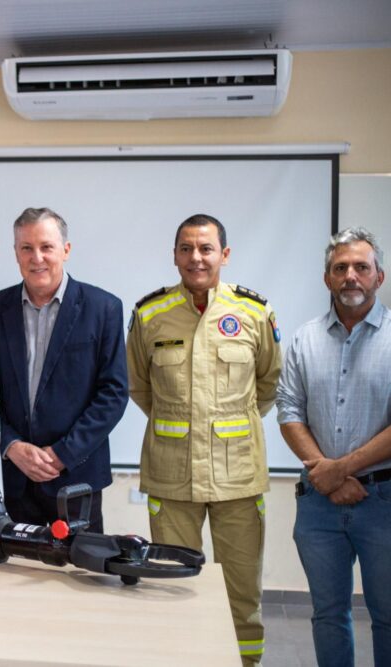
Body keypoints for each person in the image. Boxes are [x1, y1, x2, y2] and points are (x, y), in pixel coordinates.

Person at [126, 213, 282, 666]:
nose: (196, 258)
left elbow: (268, 385)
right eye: (186, 249)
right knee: (170, 589)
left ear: (224, 255)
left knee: (242, 594)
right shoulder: (149, 314)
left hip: (239, 480)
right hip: (171, 479)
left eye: (206, 248)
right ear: (174, 255)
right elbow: (139, 387)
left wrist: (228, 426)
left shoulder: (254, 313)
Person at [276, 227, 390, 667]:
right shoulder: (305, 338)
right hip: (319, 504)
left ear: (379, 276)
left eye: (361, 267)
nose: (350, 276)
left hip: (383, 500)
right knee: (328, 615)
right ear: (327, 279)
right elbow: (288, 410)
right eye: (340, 268)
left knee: (387, 617)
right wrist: (326, 473)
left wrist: (339, 469)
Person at [0, 207, 128, 530]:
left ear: (66, 250)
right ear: (15, 253)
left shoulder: (104, 308)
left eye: (47, 247)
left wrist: (62, 454)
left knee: (79, 576)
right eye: (27, 248)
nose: (37, 258)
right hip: (14, 480)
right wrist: (11, 446)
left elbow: (113, 394)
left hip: (77, 479)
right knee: (17, 573)